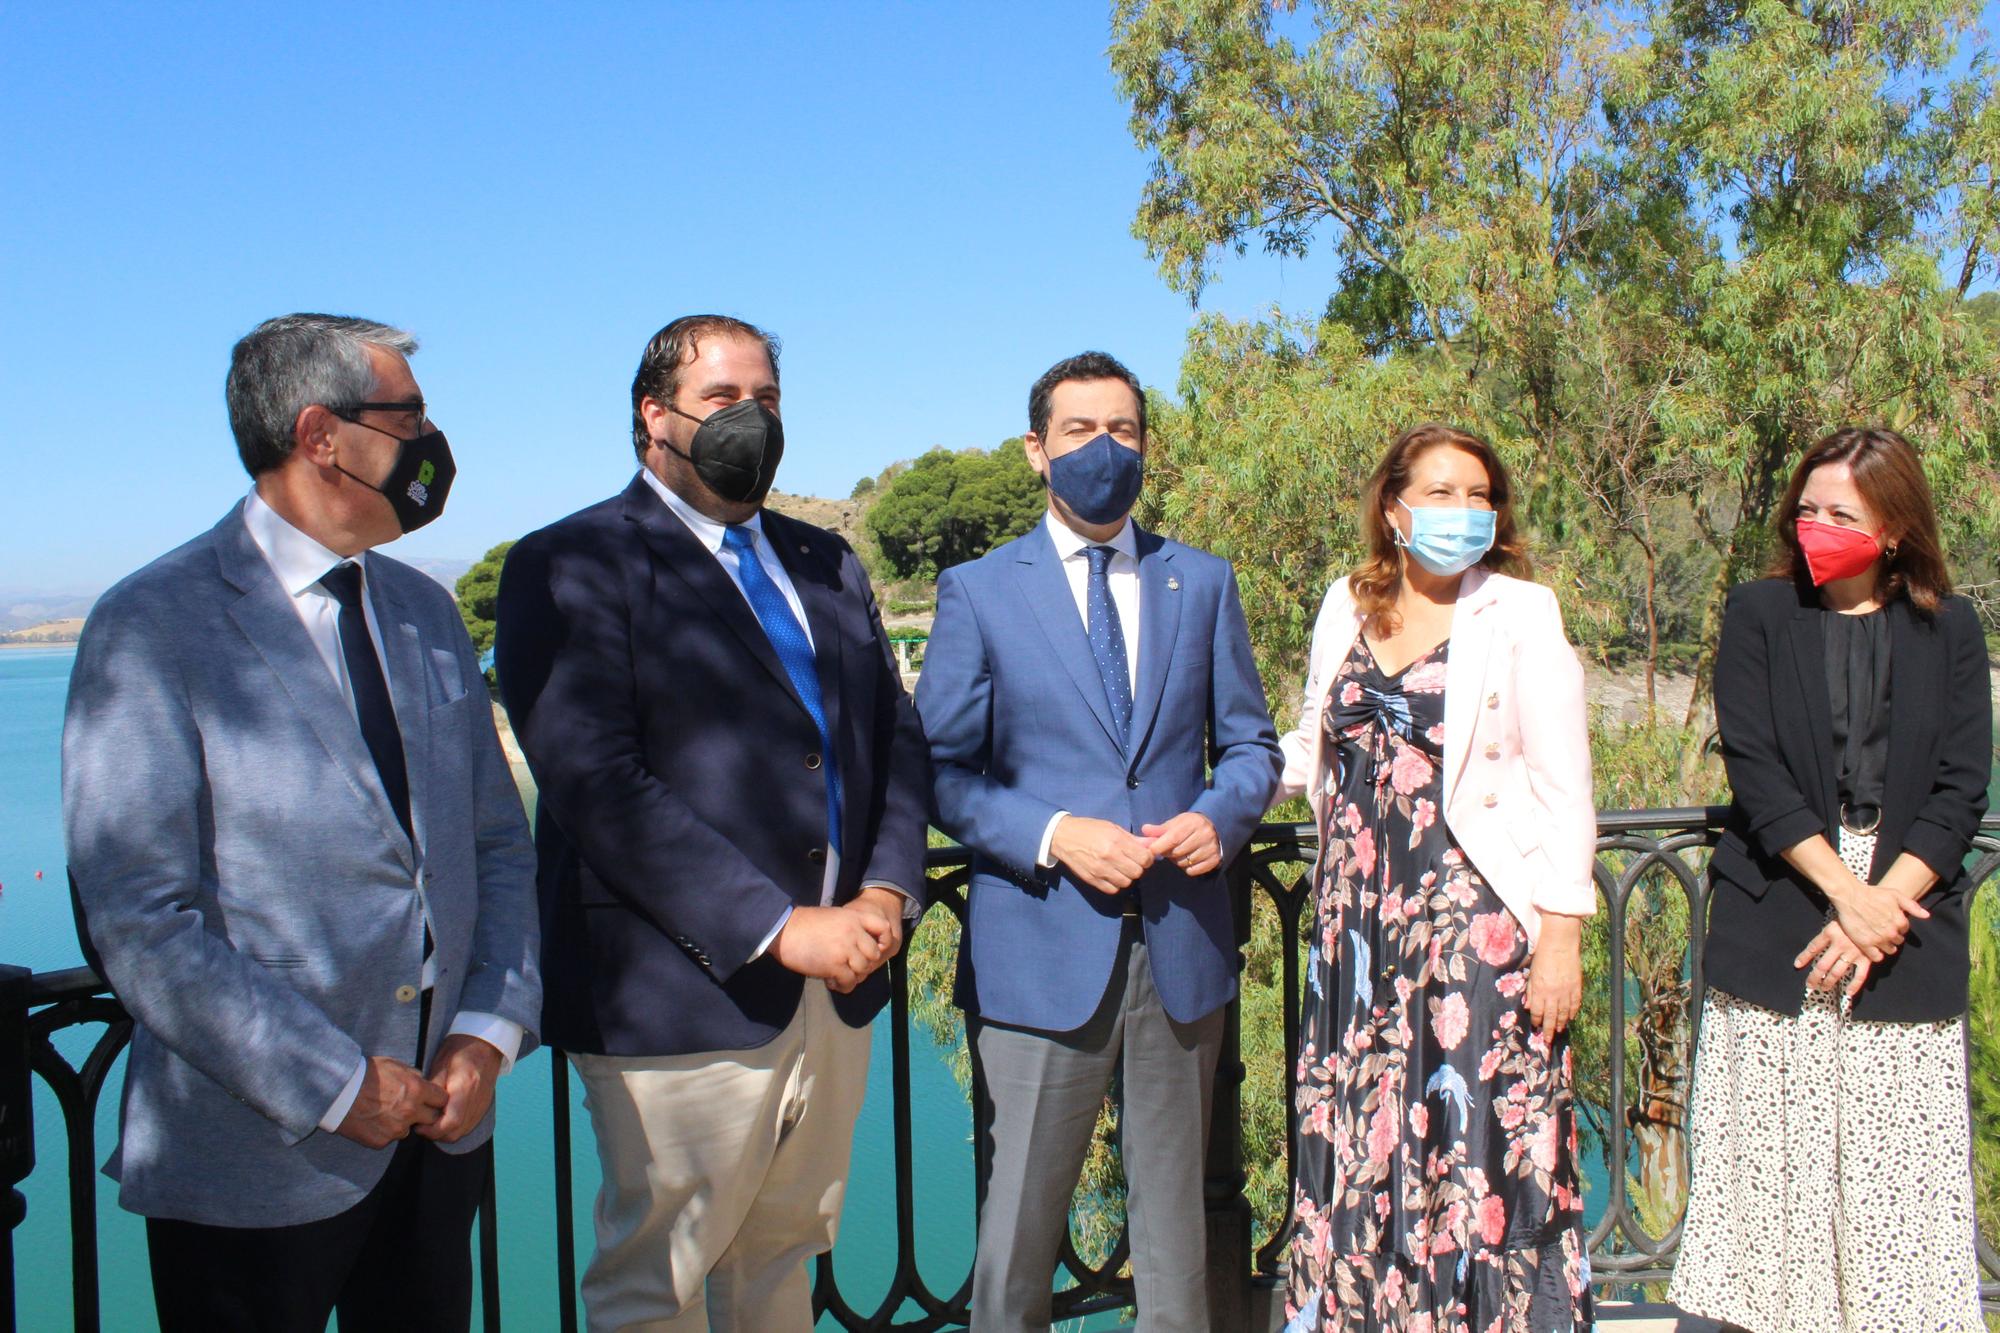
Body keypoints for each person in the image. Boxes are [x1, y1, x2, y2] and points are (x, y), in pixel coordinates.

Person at [61, 313, 542, 1333]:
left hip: (437, 1144)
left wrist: (486, 1033)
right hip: (249, 1169)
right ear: (322, 434)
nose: (430, 440)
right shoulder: (151, 624)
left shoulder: (428, 610)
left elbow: (496, 846)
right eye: (408, 414)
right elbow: (140, 918)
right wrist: (329, 1083)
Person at [495, 314, 930, 1332]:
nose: (751, 421)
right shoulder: (567, 563)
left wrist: (885, 888)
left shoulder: (827, 562)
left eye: (767, 400)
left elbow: (894, 742)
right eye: (723, 400)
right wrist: (781, 927)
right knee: (660, 1285)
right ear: (655, 417)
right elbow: (594, 781)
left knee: (780, 1261)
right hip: (678, 999)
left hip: (839, 991)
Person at [915, 350, 1282, 1332]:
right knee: (1015, 1249)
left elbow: (1249, 741)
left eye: (1122, 429)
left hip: (1180, 952)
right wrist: (1052, 833)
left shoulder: (1198, 582)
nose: (1102, 448)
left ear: (1145, 448)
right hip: (1039, 953)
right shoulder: (978, 591)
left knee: (1176, 1237)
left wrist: (1222, 812)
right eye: (1079, 430)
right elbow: (936, 771)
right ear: (1035, 450)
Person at [1271, 423, 1597, 1331]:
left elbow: (1565, 785)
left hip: (1475, 926)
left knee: (1478, 1150)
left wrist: (1561, 935)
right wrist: (1219, 786)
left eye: (1479, 496)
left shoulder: (1521, 611)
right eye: (1442, 493)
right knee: (1359, 1141)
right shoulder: (1347, 602)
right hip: (1356, 926)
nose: (1463, 513)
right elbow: (1312, 740)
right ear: (1394, 505)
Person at [1669, 426, 1991, 1332]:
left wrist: (1882, 902)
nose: (1816, 525)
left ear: (1893, 527)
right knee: (1774, 1163)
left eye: (1840, 513)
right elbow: (1757, 770)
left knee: (1894, 1169)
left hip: (1906, 922)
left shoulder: (1950, 628)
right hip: (1787, 911)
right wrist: (1846, 896)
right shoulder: (1759, 614)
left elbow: (1962, 783)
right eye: (1806, 509)